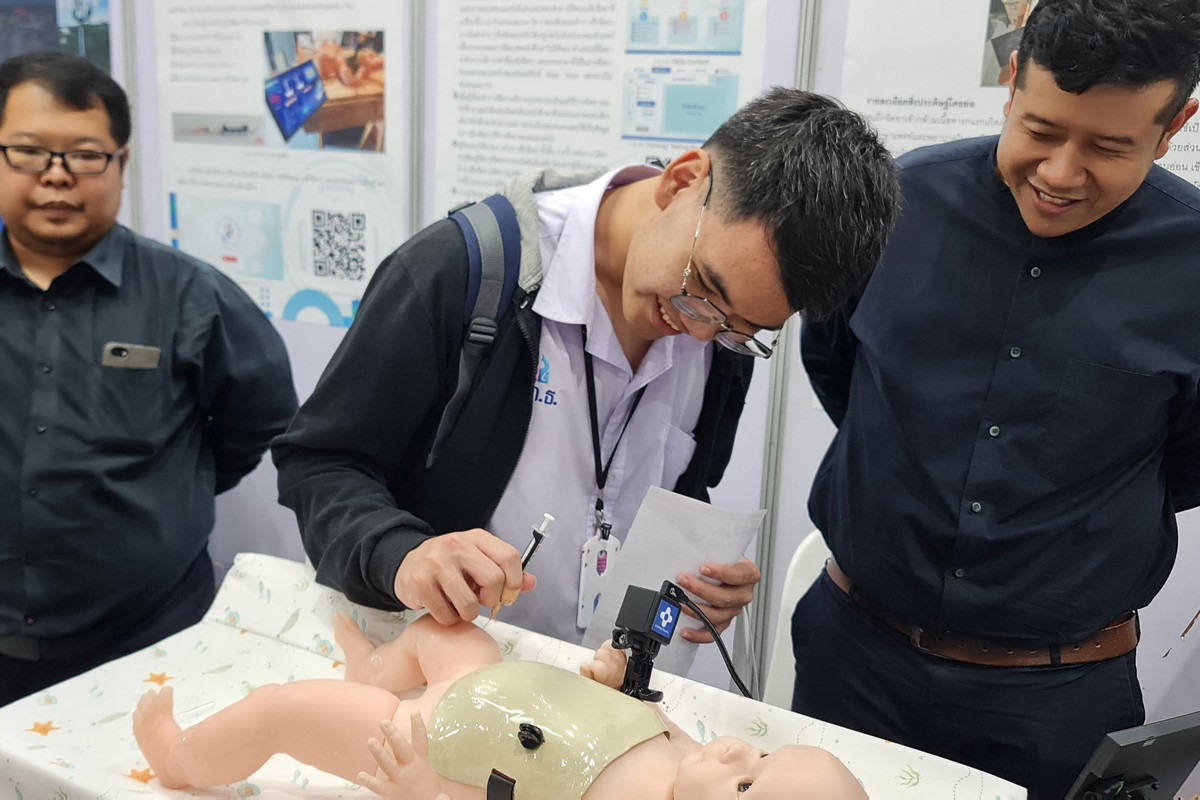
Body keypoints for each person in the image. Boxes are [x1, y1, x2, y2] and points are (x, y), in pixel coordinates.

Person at [272, 88, 899, 647]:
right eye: (703, 286)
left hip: (593, 693)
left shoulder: (719, 332)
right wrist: (402, 555)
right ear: (682, 182)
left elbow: (676, 491)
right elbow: (320, 463)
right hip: (440, 677)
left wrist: (692, 584)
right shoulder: (464, 272)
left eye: (742, 328)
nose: (699, 329)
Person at [794, 1, 1200, 797]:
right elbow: (837, 366)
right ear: (1012, 78)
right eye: (1041, 130)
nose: (1060, 173)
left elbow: (1183, 467)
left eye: (1108, 147)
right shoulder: (896, 204)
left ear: (1172, 128)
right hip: (853, 657)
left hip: (1054, 698)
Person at [0, 53, 297, 706]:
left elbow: (263, 419)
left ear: (122, 163)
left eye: (85, 155)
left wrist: (173, 492)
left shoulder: (192, 295)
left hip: (148, 634)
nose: (57, 176)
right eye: (29, 152)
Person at [132, 612, 868, 799]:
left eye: (746, 785)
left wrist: (424, 789)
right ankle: (375, 668)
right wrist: (619, 686)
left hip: (436, 740)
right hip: (497, 686)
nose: (735, 749)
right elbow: (645, 721)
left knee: (279, 709)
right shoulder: (695, 761)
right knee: (448, 631)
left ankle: (180, 758)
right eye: (762, 751)